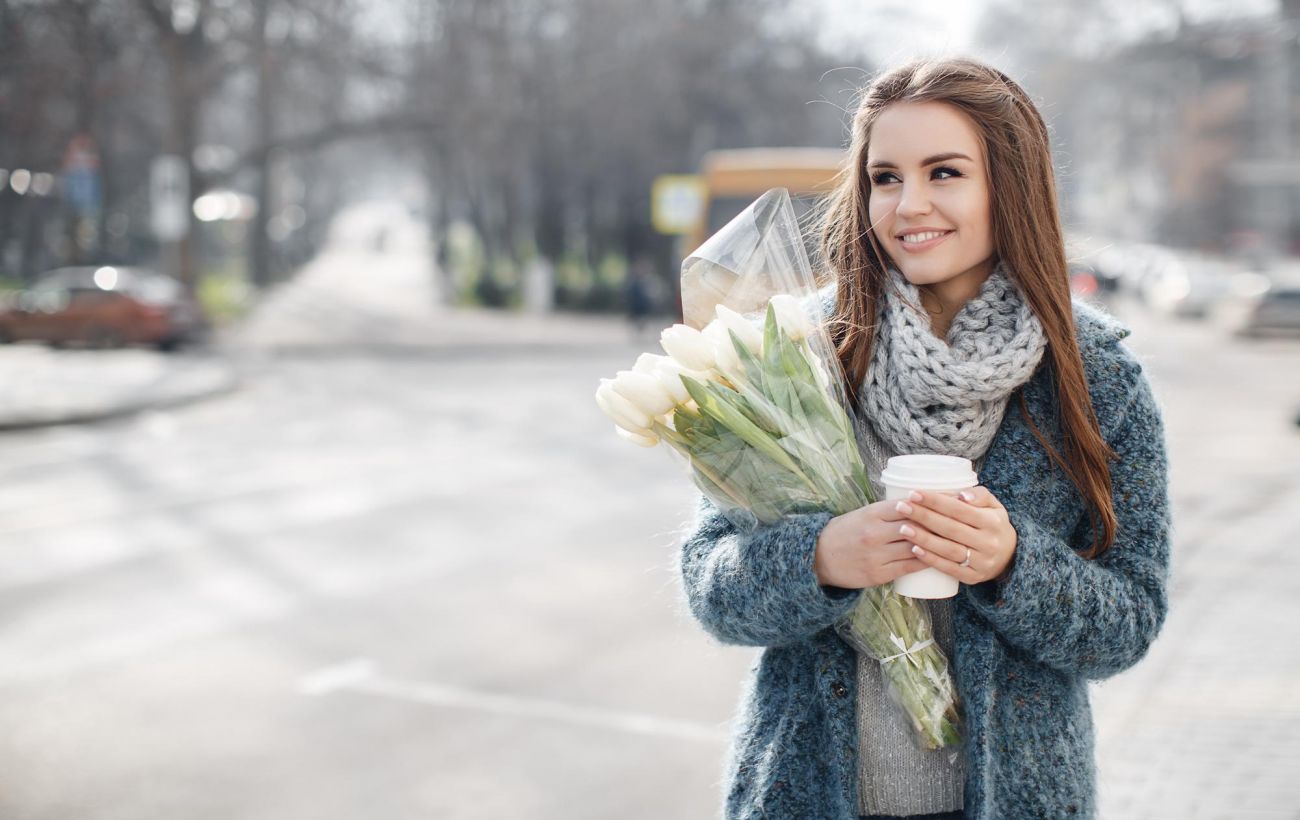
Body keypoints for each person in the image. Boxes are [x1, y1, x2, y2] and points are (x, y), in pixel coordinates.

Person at [676, 57, 1171, 820]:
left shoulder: (1095, 374)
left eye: (945, 173)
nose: (910, 205)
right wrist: (818, 560)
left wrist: (1014, 565)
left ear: (1009, 183)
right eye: (885, 178)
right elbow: (712, 585)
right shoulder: (797, 349)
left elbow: (1129, 623)